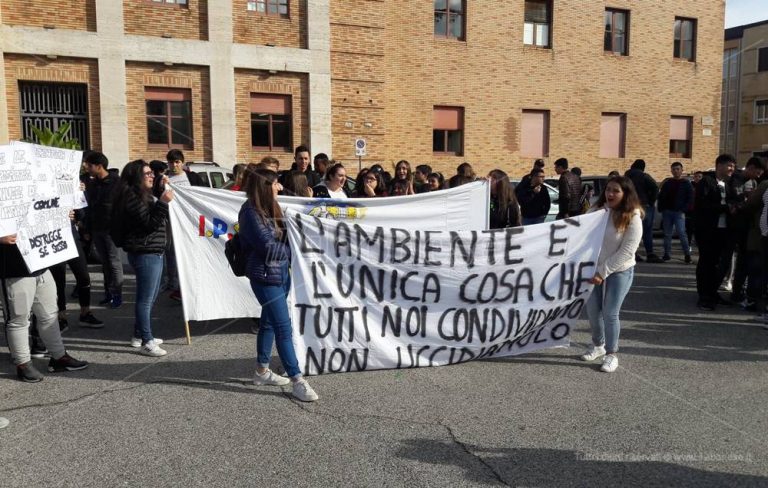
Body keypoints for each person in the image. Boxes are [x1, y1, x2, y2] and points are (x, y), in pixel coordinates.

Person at [239, 167, 318, 402]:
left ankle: (261, 371)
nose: (280, 187)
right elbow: (269, 247)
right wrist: (295, 249)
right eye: (275, 183)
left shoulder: (267, 208)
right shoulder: (251, 213)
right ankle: (297, 380)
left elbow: (284, 236)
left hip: (279, 274)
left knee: (269, 324)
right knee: (284, 328)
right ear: (264, 186)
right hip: (265, 277)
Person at [1, 235, 89, 382]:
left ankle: (59, 357)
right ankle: (23, 364)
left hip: (40, 265)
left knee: (49, 314)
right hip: (13, 269)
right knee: (19, 320)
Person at [581, 176, 643, 373]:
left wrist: (603, 271)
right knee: (592, 310)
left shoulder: (633, 216)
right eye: (608, 189)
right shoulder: (597, 211)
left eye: (616, 191)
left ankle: (611, 354)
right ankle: (597, 345)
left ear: (625, 194)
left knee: (610, 312)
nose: (610, 194)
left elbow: (627, 251)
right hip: (594, 269)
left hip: (620, 270)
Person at [113, 160, 174, 356]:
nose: (151, 176)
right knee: (145, 300)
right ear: (135, 177)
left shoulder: (140, 195)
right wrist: (163, 202)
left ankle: (138, 335)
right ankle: (147, 341)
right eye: (146, 173)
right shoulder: (130, 198)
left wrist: (160, 191)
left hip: (152, 251)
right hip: (145, 253)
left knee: (150, 297)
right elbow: (149, 223)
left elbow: (149, 212)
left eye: (151, 173)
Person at [693, 154, 738, 311]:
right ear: (719, 166)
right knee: (707, 262)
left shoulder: (727, 184)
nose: (732, 169)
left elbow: (732, 200)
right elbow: (703, 205)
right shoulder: (706, 182)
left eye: (733, 166)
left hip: (723, 230)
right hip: (707, 230)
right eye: (729, 165)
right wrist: (726, 208)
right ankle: (704, 296)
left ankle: (712, 292)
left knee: (721, 264)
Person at [83, 151, 123, 308]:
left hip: (111, 230)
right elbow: (90, 207)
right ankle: (109, 293)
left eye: (89, 164)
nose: (86, 167)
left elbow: (122, 207)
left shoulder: (116, 183)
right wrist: (87, 228)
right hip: (96, 229)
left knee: (114, 262)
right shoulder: (93, 183)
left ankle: (117, 294)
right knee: (105, 263)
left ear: (99, 166)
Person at [625, 159, 661, 262]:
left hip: (630, 206)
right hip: (644, 205)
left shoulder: (626, 176)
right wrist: (651, 201)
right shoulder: (644, 176)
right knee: (647, 231)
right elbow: (655, 187)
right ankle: (650, 253)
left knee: (632, 231)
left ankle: (633, 253)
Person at [657, 162, 694, 263]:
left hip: (679, 212)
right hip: (667, 211)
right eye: (674, 169)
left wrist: (685, 209)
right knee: (667, 234)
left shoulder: (686, 183)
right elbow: (661, 196)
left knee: (682, 233)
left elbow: (690, 198)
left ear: (682, 170)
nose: (676, 171)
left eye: (678, 169)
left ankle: (687, 255)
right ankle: (667, 254)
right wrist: (661, 208)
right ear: (671, 170)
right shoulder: (668, 183)